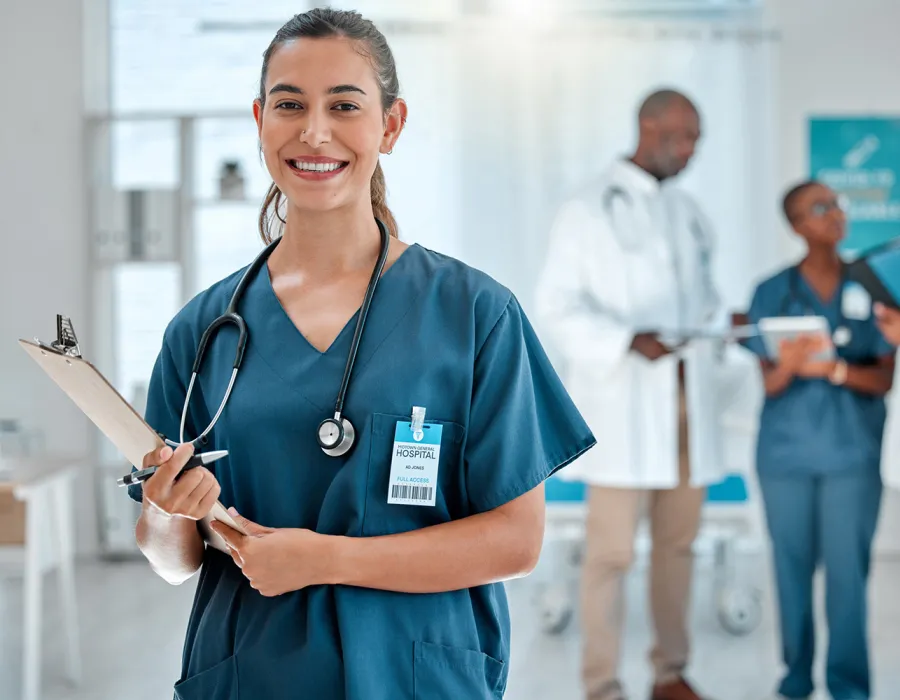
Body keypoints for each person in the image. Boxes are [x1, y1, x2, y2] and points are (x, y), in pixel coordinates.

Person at [126, 9, 596, 700]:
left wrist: (325, 559)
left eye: (344, 105)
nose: (314, 132)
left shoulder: (474, 314)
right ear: (260, 121)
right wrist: (167, 513)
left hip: (418, 679)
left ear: (391, 124)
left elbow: (516, 543)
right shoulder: (202, 331)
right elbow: (175, 561)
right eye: (289, 104)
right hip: (253, 676)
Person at [535, 90, 724, 700]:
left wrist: (720, 323)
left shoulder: (689, 211)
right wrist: (624, 340)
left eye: (697, 139)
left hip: (687, 404)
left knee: (678, 546)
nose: (691, 150)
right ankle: (603, 683)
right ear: (648, 126)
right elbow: (556, 307)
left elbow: (705, 299)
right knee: (610, 555)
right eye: (682, 136)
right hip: (623, 409)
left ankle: (670, 671)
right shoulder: (587, 209)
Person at [742, 180, 894, 700]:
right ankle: (796, 681)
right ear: (796, 226)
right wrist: (788, 365)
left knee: (848, 580)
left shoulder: (875, 287)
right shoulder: (771, 291)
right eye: (819, 207)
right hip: (784, 457)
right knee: (791, 572)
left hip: (851, 455)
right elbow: (769, 382)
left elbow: (883, 379)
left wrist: (832, 370)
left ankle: (850, 688)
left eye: (838, 204)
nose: (834, 214)